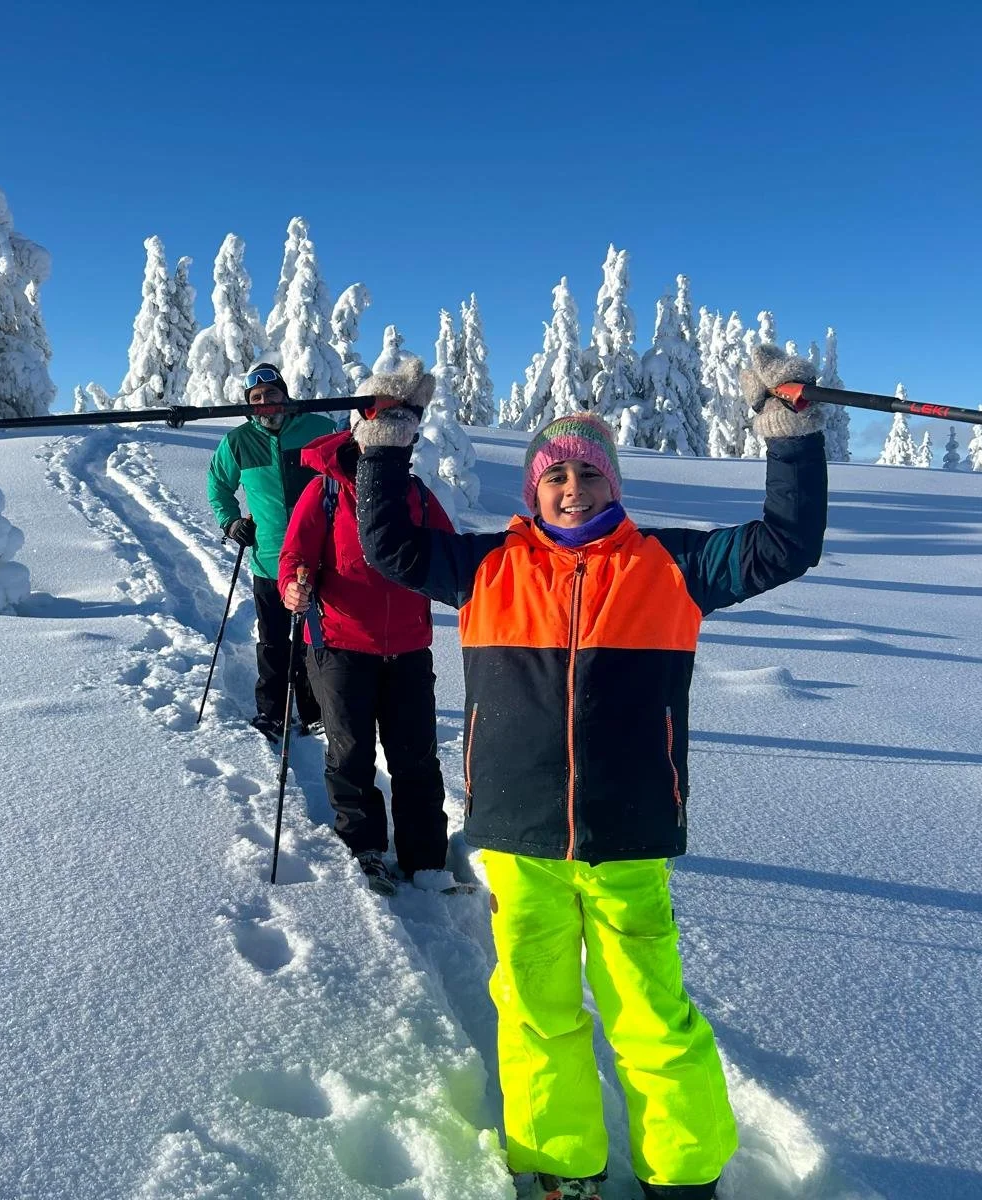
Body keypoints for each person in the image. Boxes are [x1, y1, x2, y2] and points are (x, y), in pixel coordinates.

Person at [350, 349, 828, 1200]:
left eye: (590, 474)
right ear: (531, 490)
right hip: (520, 835)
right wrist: (385, 440)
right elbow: (386, 543)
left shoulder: (671, 567)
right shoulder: (486, 567)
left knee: (653, 1018)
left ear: (616, 486)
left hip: (627, 836)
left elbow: (786, 544)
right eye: (556, 475)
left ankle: (683, 1176)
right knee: (538, 1016)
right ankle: (561, 1168)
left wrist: (787, 435)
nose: (573, 488)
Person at [276, 375, 456, 893]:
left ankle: (427, 860)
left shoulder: (416, 496)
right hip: (339, 647)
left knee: (415, 756)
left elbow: (449, 558)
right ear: (361, 435)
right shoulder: (326, 489)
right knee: (351, 753)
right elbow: (294, 555)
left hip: (408, 650)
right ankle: (365, 849)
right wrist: (292, 587)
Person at [206, 362, 336, 744]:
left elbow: (347, 474)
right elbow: (218, 486)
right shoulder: (238, 442)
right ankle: (272, 712)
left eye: (272, 394)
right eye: (257, 398)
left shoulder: (318, 429)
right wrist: (231, 523)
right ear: (249, 404)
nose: (266, 402)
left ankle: (314, 711)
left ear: (285, 395)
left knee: (317, 639)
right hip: (269, 561)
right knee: (275, 640)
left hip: (321, 557)